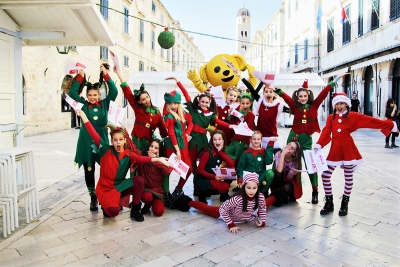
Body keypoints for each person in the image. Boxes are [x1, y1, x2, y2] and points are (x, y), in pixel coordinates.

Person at [76, 110, 172, 221]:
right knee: (113, 212)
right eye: (115, 140)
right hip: (105, 187)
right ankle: (105, 204)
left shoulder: (128, 154)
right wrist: (83, 115)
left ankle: (135, 210)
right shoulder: (105, 149)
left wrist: (158, 159)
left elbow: (140, 158)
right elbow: (93, 132)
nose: (118, 142)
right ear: (111, 141)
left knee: (139, 181)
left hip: (119, 185)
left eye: (121, 140)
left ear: (124, 140)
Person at [315, 93, 397, 216]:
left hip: (348, 150)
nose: (339, 106)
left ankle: (344, 204)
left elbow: (370, 121)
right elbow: (326, 131)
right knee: (325, 175)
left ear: (346, 104)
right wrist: (319, 144)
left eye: (341, 103)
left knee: (348, 177)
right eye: (337, 103)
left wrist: (390, 125)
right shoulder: (331, 117)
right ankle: (329, 202)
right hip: (335, 151)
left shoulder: (353, 116)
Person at [275, 73, 348, 204]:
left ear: (308, 96)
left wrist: (336, 79)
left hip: (307, 141)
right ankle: (288, 190)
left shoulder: (315, 105)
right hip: (293, 138)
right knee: (291, 165)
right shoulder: (295, 107)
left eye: (305, 96)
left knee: (311, 166)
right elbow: (285, 97)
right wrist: (277, 90)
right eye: (300, 96)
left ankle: (315, 191)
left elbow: (325, 92)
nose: (303, 98)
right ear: (297, 97)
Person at [68, 65, 117, 212]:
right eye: (90, 95)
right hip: (86, 140)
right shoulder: (83, 105)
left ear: (99, 95)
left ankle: (108, 194)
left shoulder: (105, 104)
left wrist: (106, 75)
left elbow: (114, 91)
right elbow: (72, 93)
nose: (93, 98)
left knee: (107, 168)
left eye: (95, 95)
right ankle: (93, 197)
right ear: (87, 96)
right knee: (88, 169)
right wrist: (80, 77)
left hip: (101, 140)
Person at [172, 79, 235, 177]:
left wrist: (230, 126)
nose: (204, 104)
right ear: (198, 101)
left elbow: (218, 121)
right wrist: (178, 82)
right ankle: (195, 180)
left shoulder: (210, 114)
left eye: (206, 102)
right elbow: (186, 94)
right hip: (191, 139)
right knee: (191, 163)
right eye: (202, 102)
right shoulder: (193, 109)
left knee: (205, 160)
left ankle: (202, 178)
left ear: (210, 102)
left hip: (203, 140)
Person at [188, 173, 267, 234]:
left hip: (248, 217)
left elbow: (263, 208)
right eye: (248, 188)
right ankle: (187, 201)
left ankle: (277, 195)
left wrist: (262, 221)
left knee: (267, 204)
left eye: (254, 188)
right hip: (229, 215)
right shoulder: (237, 199)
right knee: (207, 209)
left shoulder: (260, 197)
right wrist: (231, 225)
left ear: (258, 187)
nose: (251, 191)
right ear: (244, 187)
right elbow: (223, 209)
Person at [115, 70, 168, 155]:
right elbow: (128, 93)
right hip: (137, 140)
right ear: (139, 102)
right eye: (143, 99)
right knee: (136, 159)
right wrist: (118, 72)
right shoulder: (137, 108)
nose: (147, 100)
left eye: (147, 97)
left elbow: (162, 127)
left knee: (146, 161)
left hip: (149, 141)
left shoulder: (157, 111)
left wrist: (169, 139)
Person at [163, 78, 194, 200]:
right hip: (173, 146)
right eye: (170, 104)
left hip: (183, 145)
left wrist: (186, 133)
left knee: (189, 169)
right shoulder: (169, 116)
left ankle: (178, 190)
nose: (173, 106)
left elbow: (190, 123)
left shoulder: (183, 113)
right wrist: (177, 151)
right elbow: (171, 134)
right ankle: (165, 193)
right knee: (168, 170)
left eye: (175, 103)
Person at [193, 130, 235, 203]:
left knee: (232, 171)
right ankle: (203, 193)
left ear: (223, 140)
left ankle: (223, 195)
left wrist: (220, 151)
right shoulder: (208, 152)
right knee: (225, 187)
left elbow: (231, 164)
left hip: (211, 175)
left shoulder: (219, 151)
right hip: (202, 179)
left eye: (219, 139)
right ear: (212, 141)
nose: (217, 142)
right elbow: (199, 170)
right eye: (215, 139)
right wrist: (214, 177)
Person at [138, 139, 173, 216]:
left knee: (159, 212)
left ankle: (154, 203)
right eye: (151, 146)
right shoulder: (143, 158)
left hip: (157, 191)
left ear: (159, 151)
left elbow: (168, 171)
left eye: (156, 148)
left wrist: (157, 160)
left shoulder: (162, 160)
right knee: (147, 197)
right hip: (146, 190)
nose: (153, 149)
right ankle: (148, 204)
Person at [236, 131, 275, 196]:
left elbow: (269, 162)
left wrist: (270, 147)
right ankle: (251, 192)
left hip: (261, 176)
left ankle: (263, 193)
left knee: (270, 173)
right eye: (254, 139)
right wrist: (240, 178)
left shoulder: (264, 151)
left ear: (261, 141)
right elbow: (240, 167)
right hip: (249, 177)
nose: (256, 141)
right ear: (250, 140)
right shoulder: (246, 153)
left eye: (258, 139)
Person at [267, 141, 303, 206]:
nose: (288, 148)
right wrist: (283, 154)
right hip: (279, 178)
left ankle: (287, 195)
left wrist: (291, 173)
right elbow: (279, 171)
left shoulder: (295, 162)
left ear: (294, 154)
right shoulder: (278, 154)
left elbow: (289, 178)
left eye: (292, 148)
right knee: (278, 174)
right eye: (289, 145)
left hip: (288, 181)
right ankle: (278, 192)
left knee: (287, 187)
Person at [225, 93, 255, 163]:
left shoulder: (250, 114)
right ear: (240, 103)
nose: (245, 105)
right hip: (234, 139)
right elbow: (232, 123)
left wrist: (247, 143)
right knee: (225, 152)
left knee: (238, 158)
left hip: (242, 141)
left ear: (250, 104)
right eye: (243, 103)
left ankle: (237, 166)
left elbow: (250, 129)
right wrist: (230, 114)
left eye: (247, 103)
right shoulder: (237, 112)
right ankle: (236, 161)